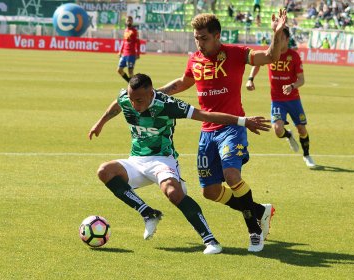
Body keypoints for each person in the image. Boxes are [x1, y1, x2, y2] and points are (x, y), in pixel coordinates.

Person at [88, 73, 271, 254]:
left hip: (162, 160)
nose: (134, 105)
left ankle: (211, 241)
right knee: (104, 171)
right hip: (136, 160)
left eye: (139, 100)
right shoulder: (127, 98)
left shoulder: (167, 105)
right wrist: (100, 123)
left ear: (151, 93)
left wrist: (242, 121)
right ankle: (148, 213)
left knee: (173, 193)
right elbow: (118, 104)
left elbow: (205, 115)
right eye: (132, 99)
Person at [157, 10, 287, 252]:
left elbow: (270, 57)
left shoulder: (236, 54)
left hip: (233, 126)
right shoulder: (194, 59)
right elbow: (182, 83)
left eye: (204, 38)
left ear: (217, 36)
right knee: (210, 191)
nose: (199, 43)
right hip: (207, 131)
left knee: (231, 176)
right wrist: (155, 93)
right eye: (196, 38)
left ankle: (254, 230)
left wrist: (276, 34)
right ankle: (260, 211)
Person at [246, 26, 316, 168]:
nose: (278, 41)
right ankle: (288, 135)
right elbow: (257, 64)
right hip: (277, 100)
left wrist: (291, 86)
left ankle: (307, 155)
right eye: (276, 38)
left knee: (302, 129)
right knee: (278, 131)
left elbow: (301, 80)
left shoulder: (294, 56)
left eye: (281, 38)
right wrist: (250, 78)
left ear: (287, 40)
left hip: (293, 99)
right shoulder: (271, 53)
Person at [117, 16, 140, 83]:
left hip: (131, 54)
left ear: (132, 21)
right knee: (119, 70)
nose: (129, 22)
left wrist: (138, 53)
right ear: (126, 22)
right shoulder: (126, 30)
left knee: (130, 71)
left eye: (130, 20)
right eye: (127, 20)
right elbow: (124, 41)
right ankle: (130, 83)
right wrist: (120, 51)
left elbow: (138, 43)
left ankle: (132, 87)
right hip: (124, 54)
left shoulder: (134, 31)